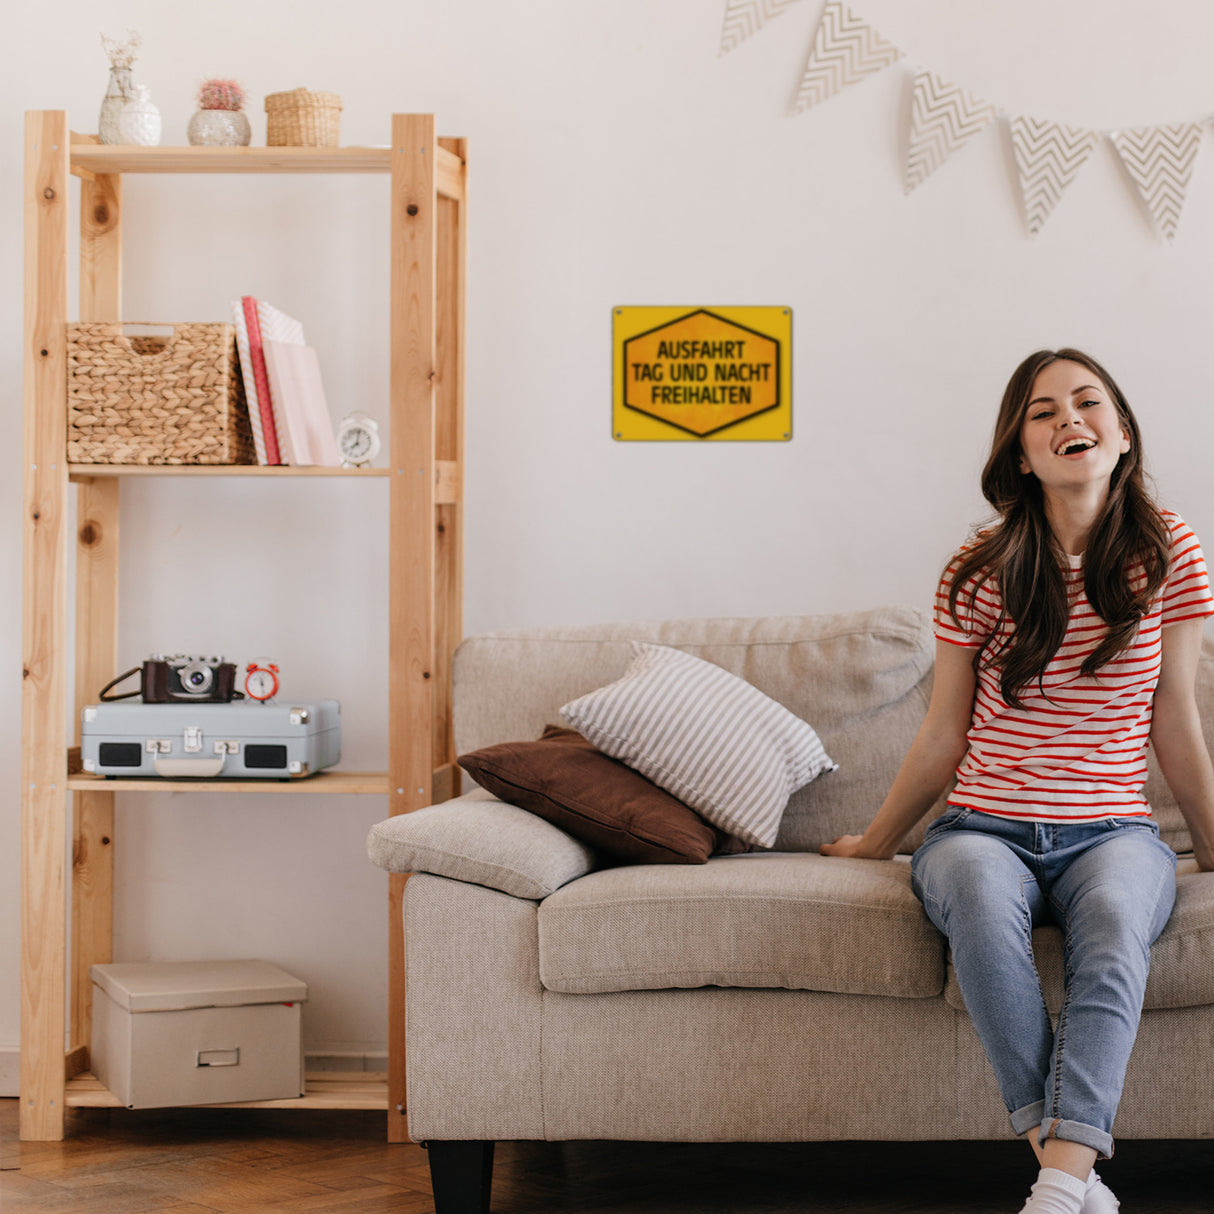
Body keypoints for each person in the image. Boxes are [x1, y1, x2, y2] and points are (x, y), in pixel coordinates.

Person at [821, 348, 1214, 1214]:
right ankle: (1071, 1176)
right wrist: (877, 843)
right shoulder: (978, 566)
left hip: (1113, 833)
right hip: (979, 828)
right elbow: (943, 732)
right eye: (1043, 411)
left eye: (1087, 403)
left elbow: (1174, 718)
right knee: (976, 905)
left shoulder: (1170, 550)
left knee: (1115, 921)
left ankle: (1058, 1185)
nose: (1068, 419)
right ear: (1021, 453)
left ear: (1121, 438)